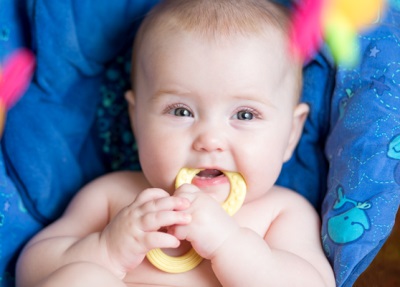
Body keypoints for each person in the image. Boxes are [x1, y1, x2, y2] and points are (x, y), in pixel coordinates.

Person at [16, 0, 335, 286]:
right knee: (80, 277)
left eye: (245, 115)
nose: (210, 140)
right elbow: (30, 272)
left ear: (291, 134)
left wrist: (229, 243)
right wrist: (106, 249)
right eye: (181, 111)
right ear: (136, 119)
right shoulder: (112, 197)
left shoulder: (281, 213)